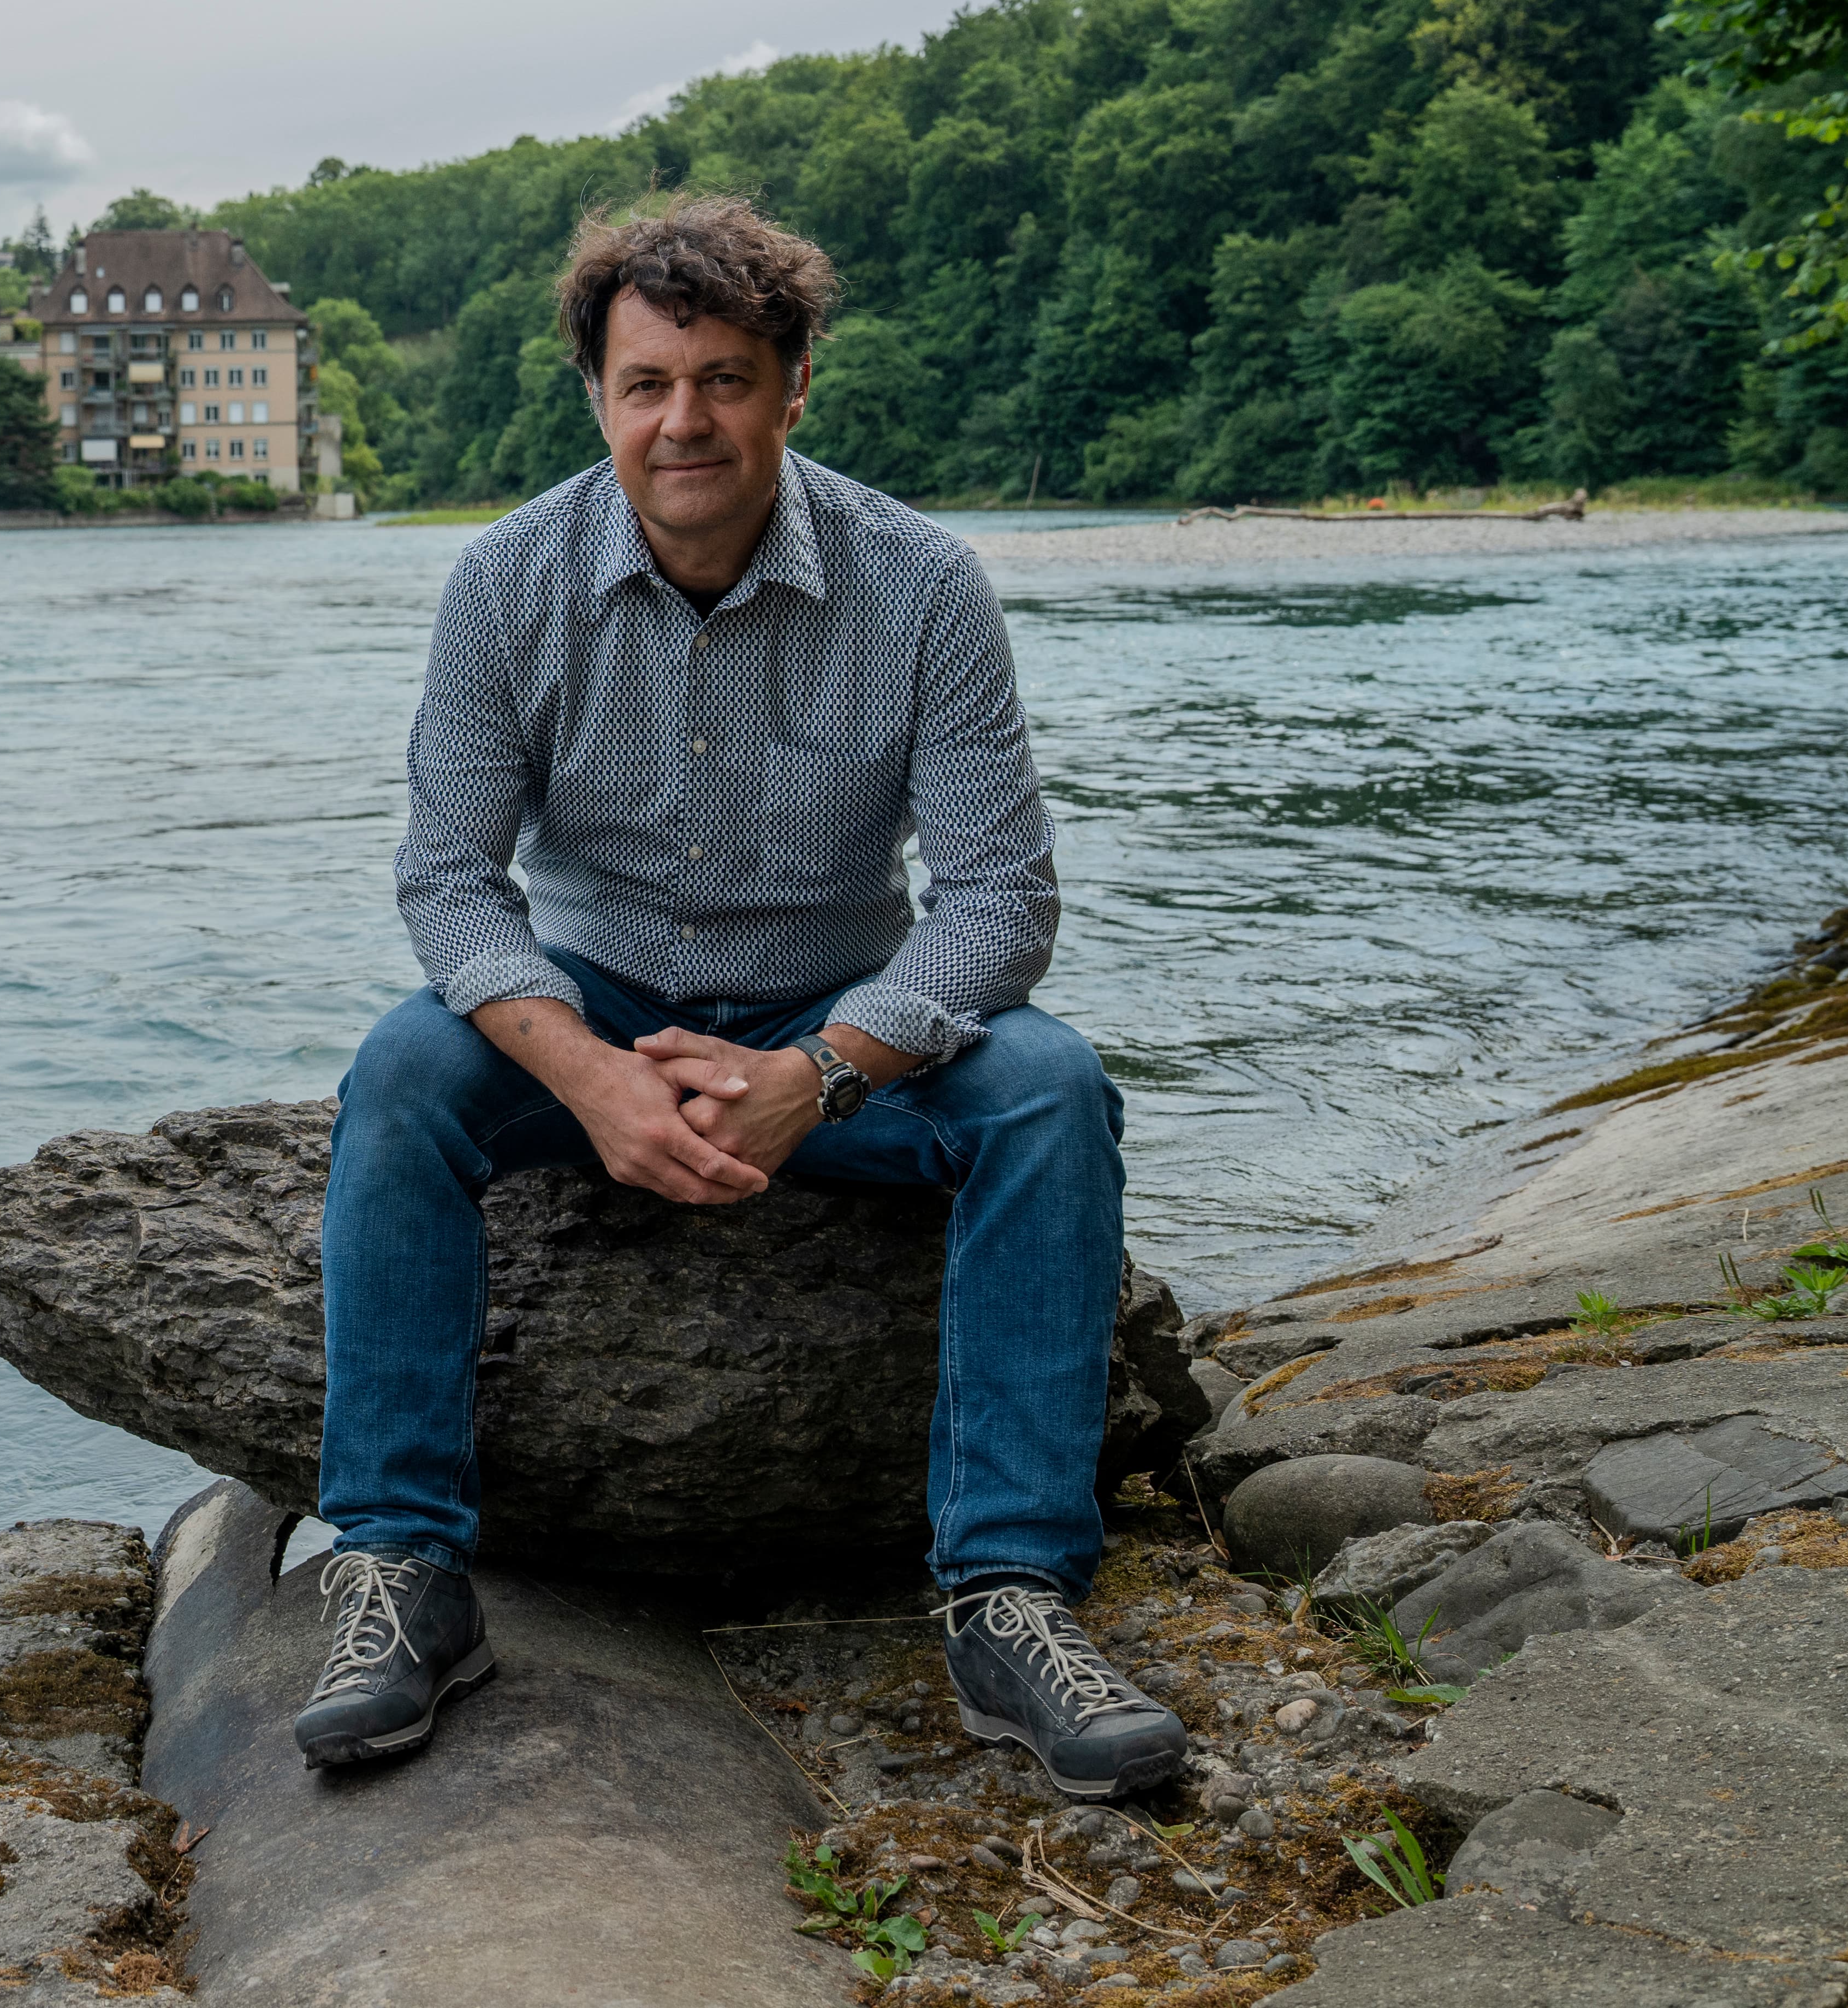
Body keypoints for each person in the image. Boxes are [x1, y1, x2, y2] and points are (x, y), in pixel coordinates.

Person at [294, 194, 1183, 1803]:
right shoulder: (505, 581)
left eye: (723, 380)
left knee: (1050, 1091)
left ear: (794, 384)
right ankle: (403, 1567)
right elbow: (447, 881)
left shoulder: (923, 585)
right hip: (592, 999)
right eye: (647, 384)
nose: (682, 421)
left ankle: (1009, 1598)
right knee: (405, 1073)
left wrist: (820, 1076)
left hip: (841, 1009)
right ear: (599, 394)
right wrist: (588, 1078)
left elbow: (1001, 900)